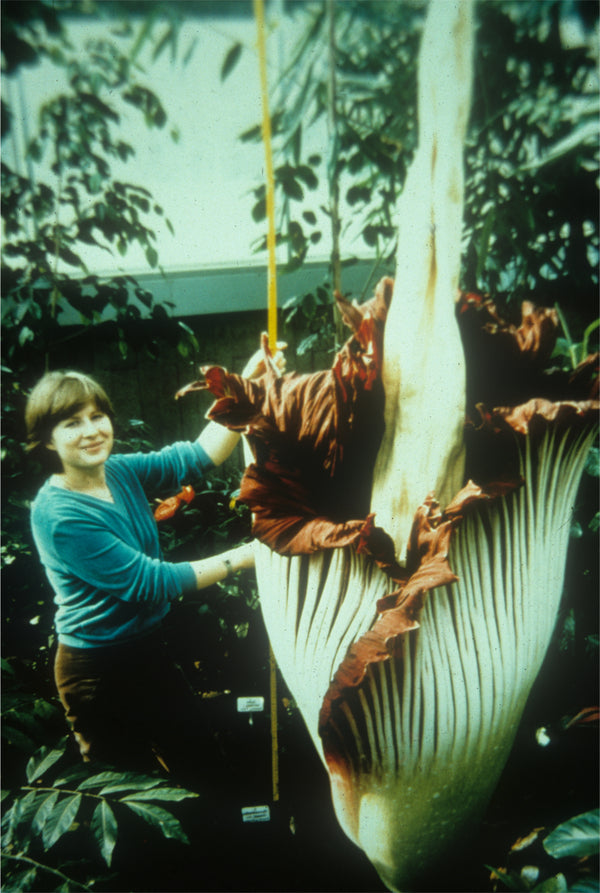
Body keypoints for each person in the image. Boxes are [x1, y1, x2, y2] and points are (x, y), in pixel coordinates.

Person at [25, 348, 274, 781]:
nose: (91, 431)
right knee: (130, 789)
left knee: (203, 764)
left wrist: (241, 390)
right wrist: (246, 556)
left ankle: (222, 846)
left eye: (96, 416)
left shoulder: (118, 471)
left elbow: (197, 457)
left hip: (146, 648)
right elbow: (149, 583)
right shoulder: (59, 515)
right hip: (97, 672)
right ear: (47, 439)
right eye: (72, 423)